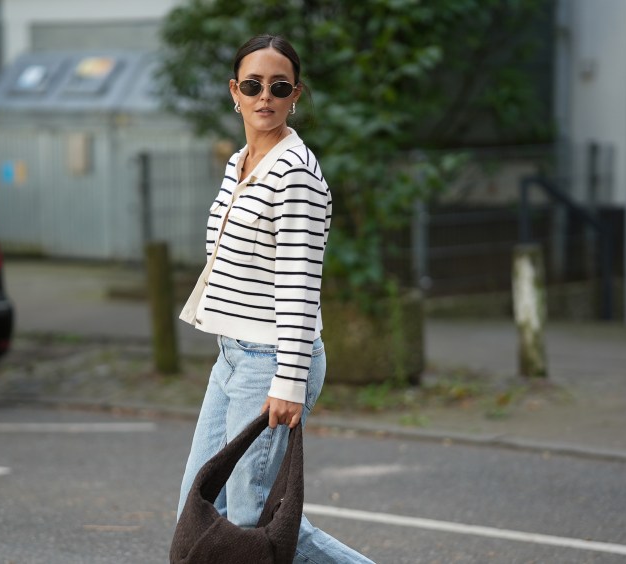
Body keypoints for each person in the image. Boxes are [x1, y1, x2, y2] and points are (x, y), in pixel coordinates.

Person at [176, 34, 373, 563]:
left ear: (295, 96)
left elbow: (300, 284)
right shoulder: (241, 162)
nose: (265, 96)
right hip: (233, 355)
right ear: (234, 92)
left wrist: (288, 381)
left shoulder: (295, 174)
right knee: (197, 508)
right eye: (253, 85)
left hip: (271, 361)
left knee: (255, 522)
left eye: (279, 86)